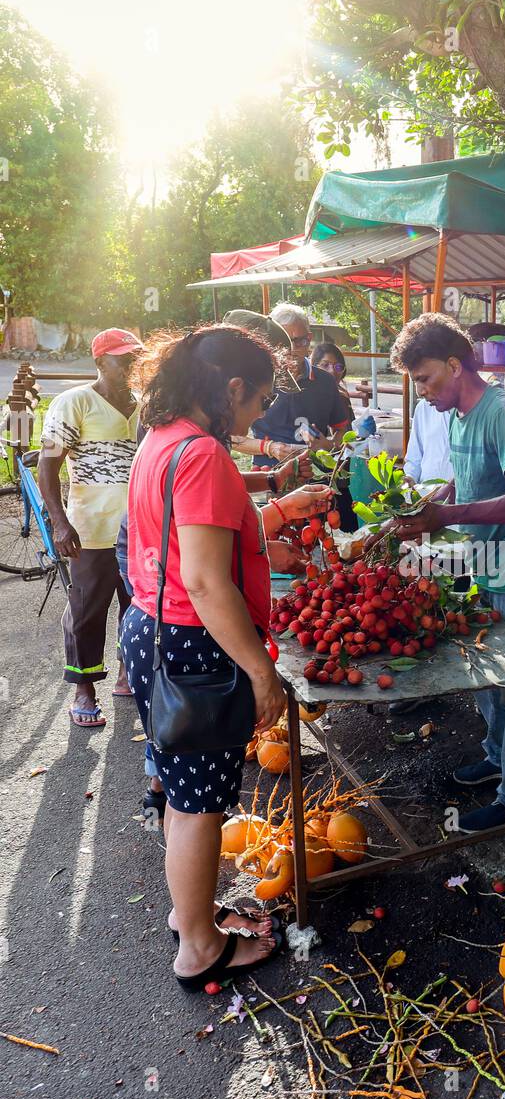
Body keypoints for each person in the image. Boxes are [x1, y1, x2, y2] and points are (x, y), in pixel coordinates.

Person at [121, 324, 332, 990]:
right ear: (231, 387)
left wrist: (269, 520)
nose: (257, 416)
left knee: (182, 795)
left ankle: (192, 918)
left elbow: (185, 546)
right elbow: (208, 582)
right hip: (194, 646)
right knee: (201, 805)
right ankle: (200, 950)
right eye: (257, 401)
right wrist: (261, 671)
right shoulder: (203, 455)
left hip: (150, 630)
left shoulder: (162, 440)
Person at [389, 313, 505, 834]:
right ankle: (497, 760)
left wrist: (446, 517)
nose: (423, 392)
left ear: (455, 364)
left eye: (426, 379)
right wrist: (431, 504)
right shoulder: (454, 414)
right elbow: (470, 482)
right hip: (475, 570)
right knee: (486, 681)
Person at [39, 327, 143, 727]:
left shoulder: (145, 406)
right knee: (86, 612)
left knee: (137, 607)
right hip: (91, 529)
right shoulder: (73, 402)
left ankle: (125, 673)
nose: (131, 366)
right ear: (100, 362)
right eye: (123, 359)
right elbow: (48, 465)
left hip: (138, 528)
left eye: (135, 358)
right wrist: (59, 522)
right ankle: (84, 689)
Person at [231, 304, 351, 468]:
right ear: (270, 341)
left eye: (299, 341)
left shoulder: (325, 381)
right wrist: (269, 448)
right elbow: (231, 438)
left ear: (309, 339)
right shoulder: (257, 381)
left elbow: (342, 431)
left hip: (318, 473)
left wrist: (327, 445)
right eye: (284, 342)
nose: (292, 349)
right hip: (268, 475)